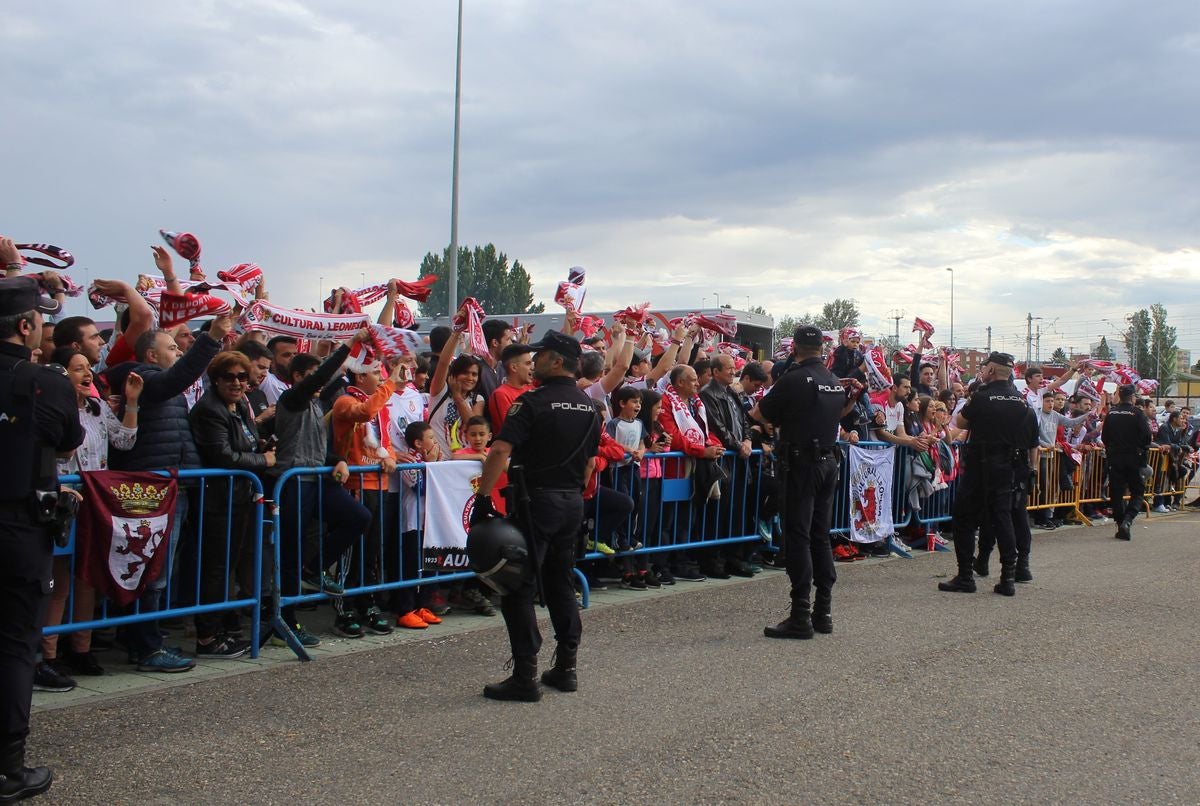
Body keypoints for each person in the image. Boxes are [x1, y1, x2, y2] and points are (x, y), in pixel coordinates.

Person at [471, 330, 601, 702]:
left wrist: (483, 498)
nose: (535, 360)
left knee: (519, 586)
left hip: (536, 502)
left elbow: (499, 451)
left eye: (541, 354)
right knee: (560, 581)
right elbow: (591, 464)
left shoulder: (531, 403)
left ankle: (525, 675)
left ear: (557, 361)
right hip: (571, 501)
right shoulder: (588, 407)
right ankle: (566, 668)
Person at [0, 270, 84, 802]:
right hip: (15, 523)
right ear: (28, 324)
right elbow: (68, 441)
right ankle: (7, 768)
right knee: (12, 642)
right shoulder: (45, 381)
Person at [753, 325, 851, 639]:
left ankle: (800, 615)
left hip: (801, 463)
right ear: (822, 348)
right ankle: (823, 611)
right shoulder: (834, 381)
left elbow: (759, 412)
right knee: (820, 536)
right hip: (828, 461)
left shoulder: (793, 379)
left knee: (798, 536)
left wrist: (780, 420)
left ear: (794, 348)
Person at [188, 351, 275, 658]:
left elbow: (244, 444)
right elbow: (222, 455)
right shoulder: (210, 409)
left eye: (242, 376)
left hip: (239, 498)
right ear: (215, 379)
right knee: (217, 569)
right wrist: (261, 460)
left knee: (232, 567)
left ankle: (227, 627)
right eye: (230, 377)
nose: (237, 383)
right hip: (218, 501)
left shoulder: (238, 407)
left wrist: (260, 448)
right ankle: (208, 637)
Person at [937, 352, 1038, 597]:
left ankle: (965, 576)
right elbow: (1032, 439)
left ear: (991, 370)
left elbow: (960, 422)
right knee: (1003, 519)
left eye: (984, 368)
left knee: (964, 519)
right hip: (1009, 467)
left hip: (980, 466)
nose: (981, 371)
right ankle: (1008, 578)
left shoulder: (981, 397)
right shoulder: (1022, 402)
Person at [1101, 384, 1152, 540]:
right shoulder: (1137, 413)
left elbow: (1105, 437)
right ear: (1132, 397)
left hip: (1115, 458)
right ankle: (1127, 520)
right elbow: (1147, 437)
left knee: (1116, 492)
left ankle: (1120, 523)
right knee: (1137, 492)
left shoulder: (1112, 413)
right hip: (1134, 458)